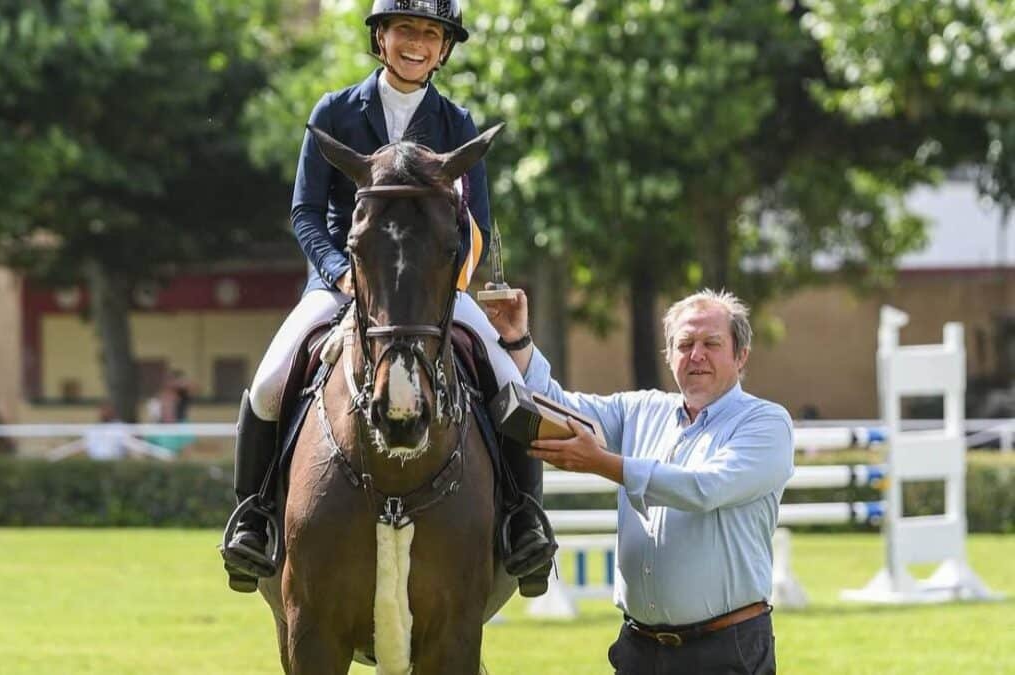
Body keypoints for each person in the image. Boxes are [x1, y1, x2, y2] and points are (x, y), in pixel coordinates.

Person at [221, 0, 556, 594]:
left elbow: (473, 224)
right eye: (406, 30)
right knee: (272, 380)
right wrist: (338, 272)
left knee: (510, 382)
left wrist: (447, 287)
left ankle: (523, 521)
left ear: (445, 48)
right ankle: (254, 517)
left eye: (431, 34)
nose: (418, 44)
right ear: (381, 37)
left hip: (432, 292)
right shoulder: (336, 111)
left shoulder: (457, 123)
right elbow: (305, 212)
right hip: (343, 283)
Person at [484, 287, 793, 675]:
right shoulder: (642, 409)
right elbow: (555, 406)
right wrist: (518, 340)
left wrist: (605, 464)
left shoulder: (765, 422)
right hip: (638, 650)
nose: (696, 355)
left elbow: (704, 488)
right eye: (685, 344)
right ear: (669, 355)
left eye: (711, 343)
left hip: (725, 649)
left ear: (741, 355)